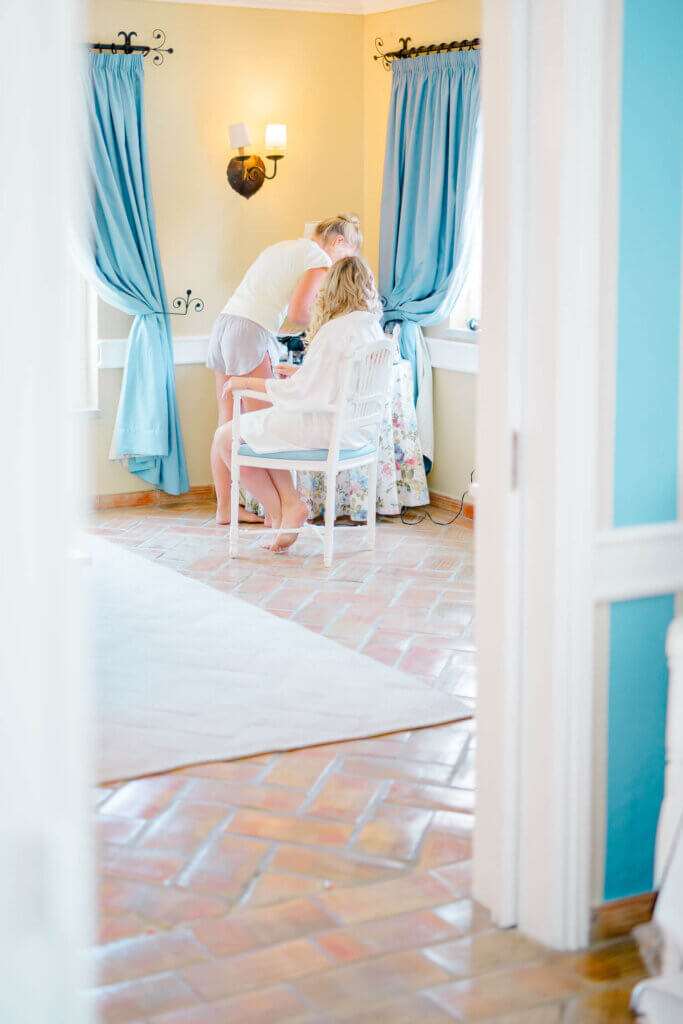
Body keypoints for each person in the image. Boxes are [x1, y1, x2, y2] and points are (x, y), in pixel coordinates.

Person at [211, 256, 384, 553]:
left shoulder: (336, 329)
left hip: (325, 428)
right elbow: (340, 379)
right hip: (357, 432)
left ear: (332, 288)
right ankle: (288, 509)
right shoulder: (370, 327)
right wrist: (302, 372)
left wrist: (247, 383)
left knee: (226, 438)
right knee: (252, 431)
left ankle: (285, 509)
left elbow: (303, 393)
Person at [207, 214, 362, 524]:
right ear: (339, 243)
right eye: (347, 258)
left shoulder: (287, 247)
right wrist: (332, 327)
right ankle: (284, 507)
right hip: (249, 330)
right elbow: (298, 312)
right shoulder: (318, 257)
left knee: (227, 423)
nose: (340, 269)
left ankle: (226, 507)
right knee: (266, 426)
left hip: (224, 324)